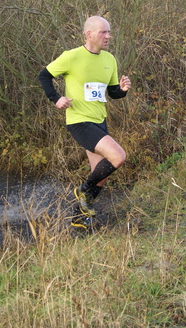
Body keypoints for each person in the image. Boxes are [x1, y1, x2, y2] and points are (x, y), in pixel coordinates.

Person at [38, 15, 131, 223]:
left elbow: (113, 92)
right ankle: (83, 191)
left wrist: (123, 90)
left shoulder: (110, 59)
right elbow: (44, 75)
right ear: (89, 34)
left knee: (102, 175)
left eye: (109, 32)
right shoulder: (71, 56)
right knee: (118, 157)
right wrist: (56, 99)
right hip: (80, 121)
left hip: (99, 121)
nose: (108, 36)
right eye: (103, 32)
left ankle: (79, 220)